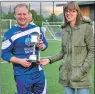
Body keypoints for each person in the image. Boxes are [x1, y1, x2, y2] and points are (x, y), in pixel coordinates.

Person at [39, 1, 94, 94]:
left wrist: (84, 68)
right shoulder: (64, 29)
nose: (69, 13)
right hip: (66, 74)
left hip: (82, 75)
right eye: (67, 11)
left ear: (77, 12)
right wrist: (49, 60)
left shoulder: (86, 27)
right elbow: (62, 52)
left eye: (72, 11)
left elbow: (92, 50)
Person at [1, 3, 48, 94]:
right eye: (19, 14)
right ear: (15, 15)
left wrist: (42, 46)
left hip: (38, 71)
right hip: (21, 73)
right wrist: (20, 61)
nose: (22, 16)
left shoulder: (36, 29)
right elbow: (4, 54)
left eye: (24, 14)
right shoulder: (9, 34)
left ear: (28, 15)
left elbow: (45, 45)